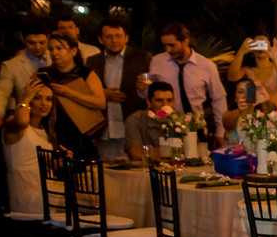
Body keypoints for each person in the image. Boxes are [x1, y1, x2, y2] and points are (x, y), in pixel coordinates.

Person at [147, 22, 228, 144]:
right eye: (165, 46)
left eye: (172, 45)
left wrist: (220, 131)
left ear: (185, 41)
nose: (168, 50)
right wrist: (143, 89)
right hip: (164, 126)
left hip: (195, 127)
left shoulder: (207, 66)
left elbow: (218, 99)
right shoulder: (157, 61)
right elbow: (149, 95)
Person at [86, 16, 150, 163]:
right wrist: (101, 94)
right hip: (105, 130)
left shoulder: (142, 58)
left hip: (135, 129)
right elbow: (86, 92)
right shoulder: (92, 61)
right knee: (111, 176)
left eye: (118, 36)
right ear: (100, 39)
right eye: (108, 37)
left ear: (126, 38)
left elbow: (154, 90)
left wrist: (147, 87)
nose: (114, 40)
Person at [38, 31, 106, 159]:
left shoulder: (86, 73)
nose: (54, 53)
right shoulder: (43, 74)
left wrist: (68, 93)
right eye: (51, 49)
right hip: (50, 131)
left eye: (59, 48)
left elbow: (100, 102)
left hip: (80, 134)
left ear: (73, 51)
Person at [2, 78, 55, 213]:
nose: (44, 104)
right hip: (26, 197)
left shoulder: (46, 130)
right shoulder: (12, 123)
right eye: (38, 98)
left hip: (49, 192)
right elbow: (22, 122)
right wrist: (25, 100)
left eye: (49, 99)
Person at [0, 18, 51, 113]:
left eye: (42, 42)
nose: (37, 47)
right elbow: (1, 94)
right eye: (32, 43)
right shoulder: (11, 66)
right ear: (23, 39)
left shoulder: (55, 58)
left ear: (48, 38)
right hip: (27, 117)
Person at [227, 34, 277, 108]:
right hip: (254, 117)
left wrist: (275, 58)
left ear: (269, 47)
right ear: (251, 49)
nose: (260, 48)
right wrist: (241, 52)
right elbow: (231, 77)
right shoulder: (247, 71)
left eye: (263, 44)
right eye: (257, 44)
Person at [124, 82, 175, 161]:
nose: (165, 105)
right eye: (159, 100)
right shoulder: (136, 119)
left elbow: (190, 150)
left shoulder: (181, 119)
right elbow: (136, 154)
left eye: (169, 100)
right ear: (149, 102)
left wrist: (150, 152)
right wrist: (171, 150)